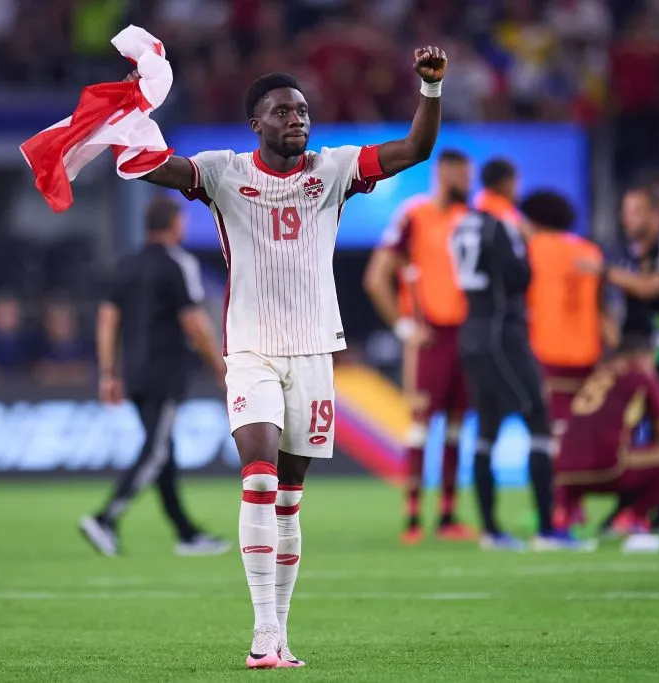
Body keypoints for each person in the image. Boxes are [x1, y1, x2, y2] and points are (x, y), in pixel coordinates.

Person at [126, 47, 448, 668]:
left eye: (302, 110)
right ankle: (263, 633)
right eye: (282, 111)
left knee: (291, 497)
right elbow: (155, 169)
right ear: (257, 124)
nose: (297, 118)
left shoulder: (333, 170)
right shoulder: (221, 172)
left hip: (315, 352)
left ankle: (282, 629)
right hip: (249, 351)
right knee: (261, 477)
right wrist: (124, 125)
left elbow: (414, 151)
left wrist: (430, 90)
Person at [80, 197, 231, 558]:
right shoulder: (179, 264)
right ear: (174, 223)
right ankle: (105, 517)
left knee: (163, 451)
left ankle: (186, 532)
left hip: (134, 372)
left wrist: (108, 372)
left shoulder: (126, 265)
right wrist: (221, 369)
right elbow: (194, 323)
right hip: (166, 372)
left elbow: (107, 320)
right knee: (157, 450)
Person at [453, 160, 592, 553]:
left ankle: (491, 531)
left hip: (472, 331)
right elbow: (518, 277)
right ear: (507, 184)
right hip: (502, 333)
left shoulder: (464, 223)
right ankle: (548, 530)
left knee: (487, 429)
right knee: (538, 418)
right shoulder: (505, 224)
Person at [362, 149, 476, 544]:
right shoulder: (415, 215)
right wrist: (406, 328)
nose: (468, 183)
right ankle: (412, 518)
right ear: (444, 174)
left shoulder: (472, 220)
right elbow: (376, 277)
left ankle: (448, 516)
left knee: (457, 428)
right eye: (462, 175)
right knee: (419, 427)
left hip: (467, 336)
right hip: (431, 337)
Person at [585, 183, 659, 534]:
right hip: (633, 354)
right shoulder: (626, 250)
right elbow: (609, 300)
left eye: (634, 211)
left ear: (655, 214)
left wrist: (603, 272)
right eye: (624, 211)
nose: (625, 218)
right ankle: (626, 508)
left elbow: (653, 287)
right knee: (626, 430)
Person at [553, 334, 659, 546]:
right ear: (641, 358)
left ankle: (564, 514)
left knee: (569, 453)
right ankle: (632, 517)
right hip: (608, 466)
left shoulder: (595, 375)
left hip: (563, 473)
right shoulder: (641, 376)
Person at [524, 190, 615, 440]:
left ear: (535, 221)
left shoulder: (533, 249)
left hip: (547, 353)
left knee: (550, 432)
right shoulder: (591, 251)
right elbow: (602, 307)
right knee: (581, 429)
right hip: (587, 354)